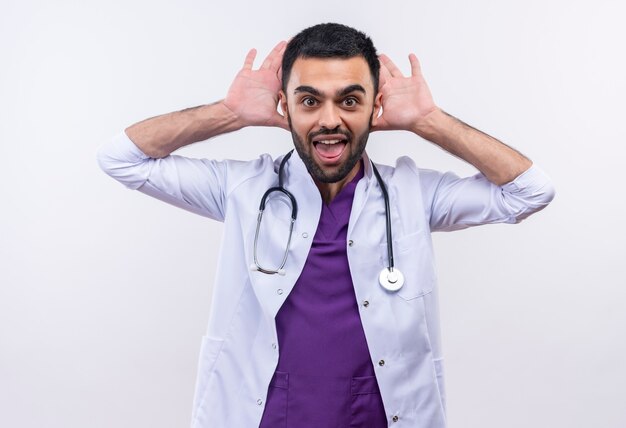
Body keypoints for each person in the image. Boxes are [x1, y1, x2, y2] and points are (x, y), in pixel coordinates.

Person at [98, 23, 554, 428]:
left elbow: (530, 191)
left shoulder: (413, 195)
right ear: (285, 107)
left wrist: (428, 122)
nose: (330, 120)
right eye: (310, 101)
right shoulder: (244, 189)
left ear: (376, 106)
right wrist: (230, 113)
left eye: (350, 100)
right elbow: (122, 160)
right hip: (268, 415)